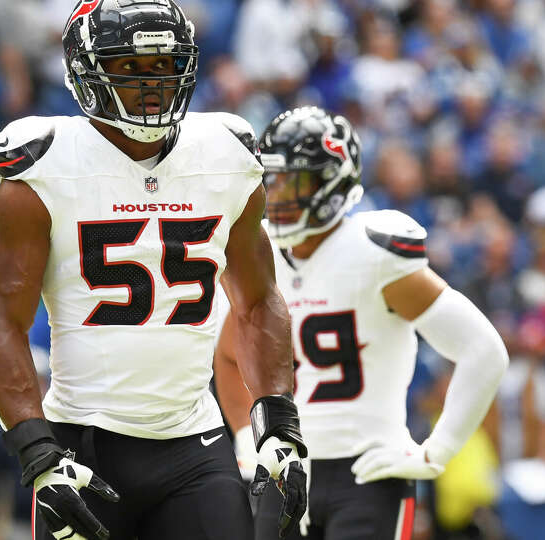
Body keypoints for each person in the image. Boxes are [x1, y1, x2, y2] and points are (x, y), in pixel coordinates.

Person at [0, 1, 306, 539]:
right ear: (86, 73)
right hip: (82, 446)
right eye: (129, 68)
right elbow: (0, 318)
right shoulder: (44, 164)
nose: (151, 85)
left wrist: (278, 426)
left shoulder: (225, 154)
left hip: (195, 442)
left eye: (162, 66)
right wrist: (37, 450)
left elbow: (257, 300)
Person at [214, 106, 509, 540]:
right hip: (287, 469)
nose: (276, 195)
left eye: (292, 181)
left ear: (331, 183)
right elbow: (229, 357)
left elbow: (484, 350)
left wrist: (438, 449)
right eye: (270, 180)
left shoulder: (374, 255)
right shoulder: (261, 255)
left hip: (368, 472)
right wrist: (246, 435)